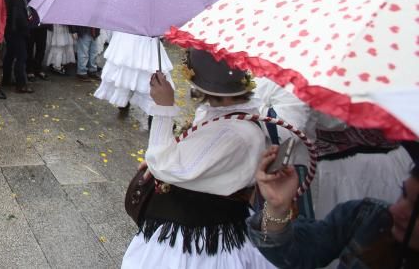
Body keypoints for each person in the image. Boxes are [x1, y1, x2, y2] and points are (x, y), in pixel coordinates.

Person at [122, 48, 272, 268]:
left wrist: (164, 108)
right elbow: (193, 159)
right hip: (202, 225)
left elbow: (164, 164)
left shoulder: (233, 132)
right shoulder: (226, 116)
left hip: (200, 239)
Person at [248, 145, 419, 268]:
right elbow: (294, 256)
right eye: (403, 194)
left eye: (416, 208)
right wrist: (277, 208)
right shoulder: (367, 216)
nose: (397, 210)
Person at [94, 31, 173, 118]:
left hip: (132, 41)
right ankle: (152, 113)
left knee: (130, 74)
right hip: (139, 42)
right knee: (138, 75)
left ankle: (152, 112)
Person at [0, 0, 33, 94]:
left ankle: (6, 79)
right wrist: (25, 27)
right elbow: (18, 16)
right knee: (21, 56)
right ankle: (21, 84)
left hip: (9, 30)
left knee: (10, 54)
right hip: (17, 30)